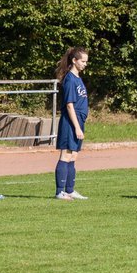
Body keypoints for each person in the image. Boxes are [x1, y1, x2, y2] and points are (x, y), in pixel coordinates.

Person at [53, 46, 89, 201]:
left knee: (73, 155)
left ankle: (70, 190)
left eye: (86, 61)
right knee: (66, 154)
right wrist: (76, 127)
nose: (85, 64)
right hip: (70, 122)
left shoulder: (78, 78)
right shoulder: (69, 79)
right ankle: (60, 191)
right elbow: (69, 105)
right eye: (82, 61)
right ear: (74, 61)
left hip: (78, 121)